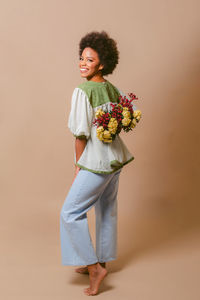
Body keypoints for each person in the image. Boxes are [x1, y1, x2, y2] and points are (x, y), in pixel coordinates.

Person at [60, 31, 138, 296]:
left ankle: (95, 268)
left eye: (89, 60)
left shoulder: (82, 91)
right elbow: (125, 115)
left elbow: (80, 134)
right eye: (81, 58)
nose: (82, 63)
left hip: (96, 163)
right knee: (106, 209)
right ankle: (101, 260)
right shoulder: (111, 88)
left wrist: (77, 166)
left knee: (70, 213)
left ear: (101, 63)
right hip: (115, 159)